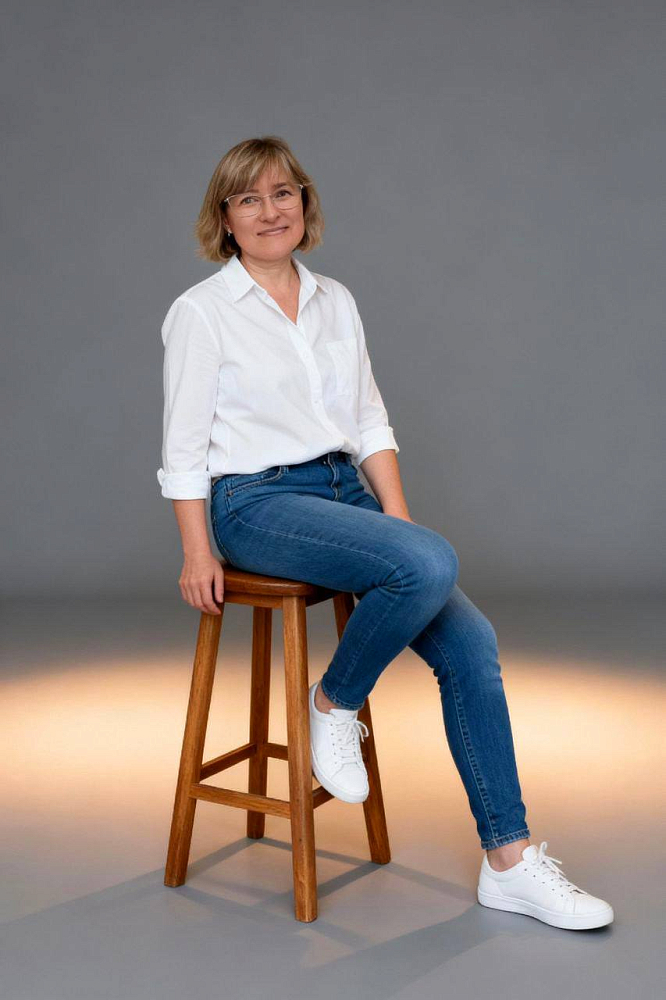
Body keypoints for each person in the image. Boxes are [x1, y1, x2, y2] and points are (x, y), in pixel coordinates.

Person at [157, 135, 613, 930]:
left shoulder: (335, 299)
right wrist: (196, 550)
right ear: (224, 219)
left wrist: (395, 523)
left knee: (471, 644)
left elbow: (369, 420)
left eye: (283, 193)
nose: (270, 211)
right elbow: (184, 447)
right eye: (248, 199)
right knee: (429, 562)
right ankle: (334, 702)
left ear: (305, 203)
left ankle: (509, 862)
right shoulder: (201, 312)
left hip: (342, 492)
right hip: (254, 504)